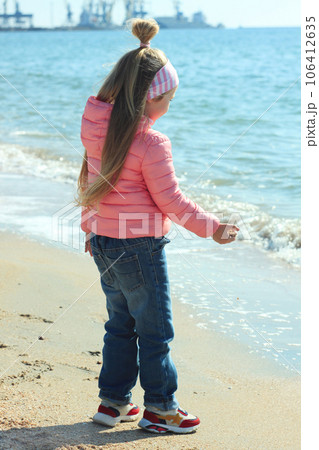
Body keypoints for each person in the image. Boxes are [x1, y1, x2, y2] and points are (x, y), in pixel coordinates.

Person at [75, 18, 239, 434]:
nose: (169, 108)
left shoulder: (97, 129)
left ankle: (112, 404)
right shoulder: (151, 142)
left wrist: (89, 228)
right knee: (155, 331)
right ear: (149, 99)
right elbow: (172, 201)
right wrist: (213, 228)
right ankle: (162, 408)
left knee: (120, 324)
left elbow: (88, 180)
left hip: (105, 243)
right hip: (141, 247)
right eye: (167, 99)